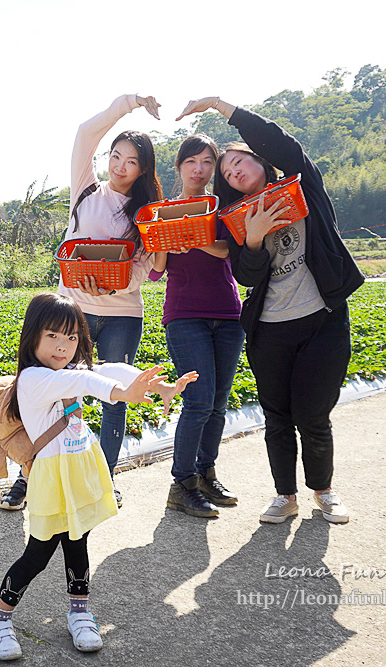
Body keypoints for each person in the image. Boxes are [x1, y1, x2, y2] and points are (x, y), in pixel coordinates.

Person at [175, 96, 364, 525]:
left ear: (261, 160)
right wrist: (255, 238)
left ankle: (324, 491)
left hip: (322, 320)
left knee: (314, 416)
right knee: (277, 417)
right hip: (270, 327)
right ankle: (284, 495)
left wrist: (221, 107)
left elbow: (281, 142)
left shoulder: (304, 187)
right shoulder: (238, 218)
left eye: (238, 161)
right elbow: (246, 275)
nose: (233, 171)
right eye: (226, 172)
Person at [0, 293, 196, 660]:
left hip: (79, 469)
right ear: (32, 336)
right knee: (38, 553)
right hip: (52, 476)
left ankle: (79, 613)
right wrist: (122, 393)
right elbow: (91, 384)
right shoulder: (34, 378)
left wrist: (153, 386)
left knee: (78, 544)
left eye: (71, 338)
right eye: (52, 336)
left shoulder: (68, 372)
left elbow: (106, 370)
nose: (62, 346)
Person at [1, 93, 164, 513]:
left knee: (115, 394)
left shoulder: (147, 211)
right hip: (71, 312)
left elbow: (145, 266)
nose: (119, 166)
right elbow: (84, 133)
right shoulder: (86, 189)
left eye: (130, 161)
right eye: (116, 155)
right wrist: (128, 103)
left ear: (143, 169)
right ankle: (28, 477)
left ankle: (104, 480)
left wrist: (112, 286)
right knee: (51, 392)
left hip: (124, 314)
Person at [149, 134, 245, 518]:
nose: (199, 169)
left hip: (228, 314)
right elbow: (157, 270)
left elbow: (227, 250)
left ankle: (207, 473)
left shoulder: (223, 208)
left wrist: (193, 236)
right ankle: (182, 483)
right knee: (198, 399)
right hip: (185, 314)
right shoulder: (164, 211)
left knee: (218, 402)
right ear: (179, 167)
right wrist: (164, 240)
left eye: (207, 162)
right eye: (192, 161)